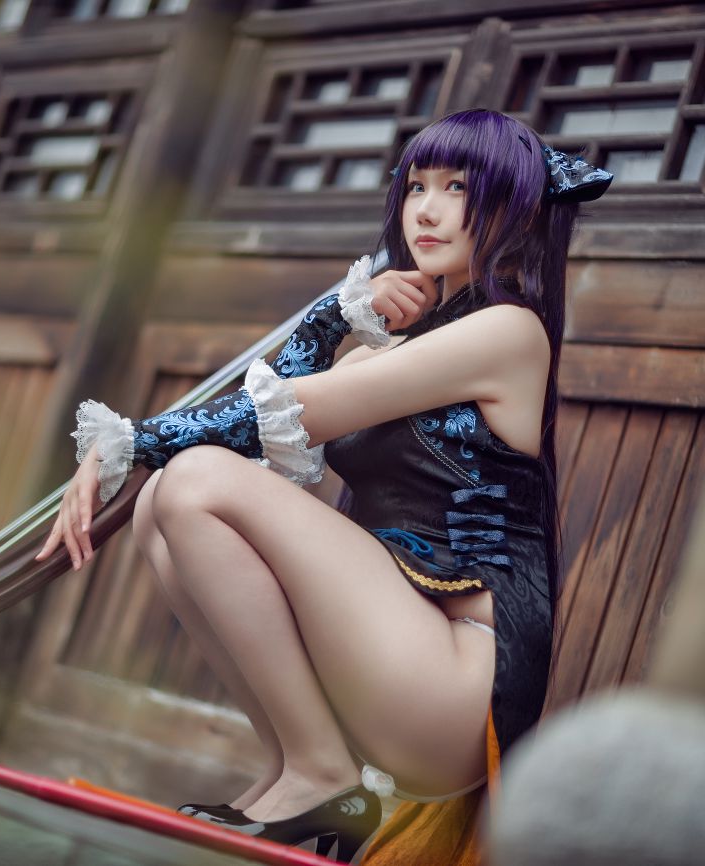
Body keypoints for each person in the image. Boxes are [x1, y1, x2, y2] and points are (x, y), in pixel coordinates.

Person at [34, 107, 613, 864]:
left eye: (458, 189)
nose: (426, 210)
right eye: (416, 187)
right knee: (159, 505)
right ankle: (295, 767)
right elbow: (285, 402)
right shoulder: (400, 343)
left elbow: (290, 413)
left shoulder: (508, 331)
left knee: (195, 478)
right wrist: (332, 319)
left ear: (517, 207)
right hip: (389, 644)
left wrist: (122, 444)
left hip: (457, 677)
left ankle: (319, 772)